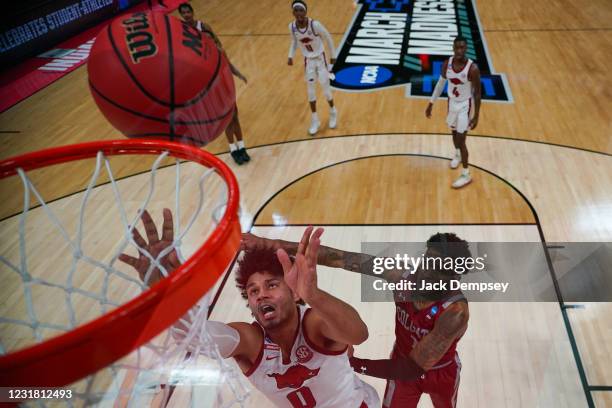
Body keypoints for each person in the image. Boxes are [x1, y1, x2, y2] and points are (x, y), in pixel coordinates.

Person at [119, 211, 380, 408]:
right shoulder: (251, 342)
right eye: (253, 290)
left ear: (294, 291)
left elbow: (358, 334)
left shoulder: (313, 324)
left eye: (271, 284)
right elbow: (198, 339)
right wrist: (168, 292)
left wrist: (314, 295)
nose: (261, 293)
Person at [242, 231, 471, 408]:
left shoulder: (455, 312)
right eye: (428, 260)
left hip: (440, 372)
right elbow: (340, 258)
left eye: (439, 268)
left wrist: (353, 363)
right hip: (399, 362)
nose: (428, 271)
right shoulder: (401, 275)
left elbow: (411, 369)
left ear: (455, 276)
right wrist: (266, 243)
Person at [178, 3, 251, 165]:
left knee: (235, 117)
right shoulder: (195, 50)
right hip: (211, 89)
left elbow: (228, 63)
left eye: (188, 11)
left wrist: (239, 74)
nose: (186, 14)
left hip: (225, 85)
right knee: (226, 119)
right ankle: (233, 149)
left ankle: (242, 147)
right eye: (183, 12)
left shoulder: (206, 31)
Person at [425, 36, 481, 189]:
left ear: (466, 49)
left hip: (465, 105)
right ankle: (456, 154)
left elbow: (477, 93)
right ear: (453, 48)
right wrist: (431, 103)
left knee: (462, 139)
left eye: (462, 48)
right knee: (454, 132)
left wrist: (476, 115)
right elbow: (440, 84)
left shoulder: (473, 68)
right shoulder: (447, 64)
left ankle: (466, 173)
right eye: (457, 47)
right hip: (451, 103)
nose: (459, 51)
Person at [287, 0, 338, 136]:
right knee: (311, 92)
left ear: (305, 12)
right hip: (308, 61)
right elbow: (294, 42)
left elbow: (328, 38)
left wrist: (333, 57)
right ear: (293, 12)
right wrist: (290, 55)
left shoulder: (314, 25)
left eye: (301, 10)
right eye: (296, 10)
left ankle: (333, 111)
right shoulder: (292, 27)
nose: (298, 13)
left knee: (326, 90)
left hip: (321, 59)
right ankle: (315, 120)